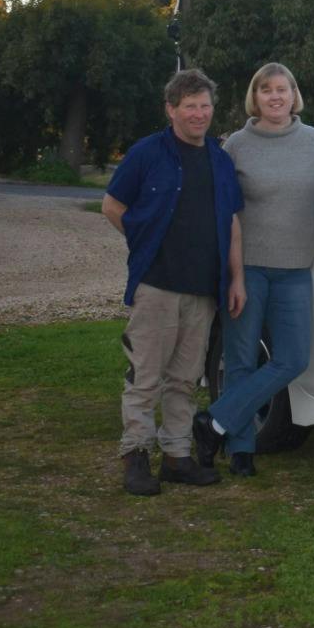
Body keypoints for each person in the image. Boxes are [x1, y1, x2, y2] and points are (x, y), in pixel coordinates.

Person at [193, 62, 314, 477]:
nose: (275, 96)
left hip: (295, 269)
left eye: (282, 89)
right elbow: (223, 210)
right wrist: (230, 272)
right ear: (255, 97)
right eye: (266, 90)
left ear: (294, 95)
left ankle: (214, 421)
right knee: (241, 359)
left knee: (293, 358)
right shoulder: (238, 146)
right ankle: (242, 451)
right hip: (248, 269)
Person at [102, 68, 245, 497]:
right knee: (145, 376)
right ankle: (136, 456)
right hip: (158, 285)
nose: (199, 114)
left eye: (205, 106)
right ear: (171, 109)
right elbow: (112, 205)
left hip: (203, 290)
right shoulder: (148, 153)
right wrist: (144, 239)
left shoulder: (220, 160)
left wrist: (237, 278)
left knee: (185, 379)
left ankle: (178, 457)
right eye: (190, 107)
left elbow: (233, 222)